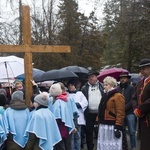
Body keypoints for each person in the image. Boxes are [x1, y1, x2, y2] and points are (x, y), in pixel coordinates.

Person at [97, 76, 125, 150]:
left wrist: (118, 126)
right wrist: (98, 120)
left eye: (106, 85)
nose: (104, 86)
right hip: (103, 124)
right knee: (104, 144)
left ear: (112, 85)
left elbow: (120, 112)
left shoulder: (118, 96)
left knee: (112, 144)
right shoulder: (105, 95)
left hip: (112, 124)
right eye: (104, 84)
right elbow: (100, 109)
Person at [81, 70, 104, 150]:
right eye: (89, 77)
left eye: (93, 77)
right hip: (89, 113)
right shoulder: (84, 88)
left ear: (96, 77)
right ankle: (90, 147)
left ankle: (100, 147)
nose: (91, 78)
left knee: (100, 131)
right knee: (89, 131)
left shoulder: (102, 86)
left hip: (100, 113)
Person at [49, 83, 75, 150]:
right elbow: (72, 112)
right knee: (68, 145)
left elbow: (57, 117)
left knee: (60, 146)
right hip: (66, 126)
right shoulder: (65, 99)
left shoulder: (58, 102)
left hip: (60, 127)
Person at [132, 58, 150, 150]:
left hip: (148, 115)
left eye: (144, 68)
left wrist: (140, 109)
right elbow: (134, 98)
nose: (142, 70)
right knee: (144, 141)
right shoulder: (140, 83)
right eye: (141, 69)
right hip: (142, 117)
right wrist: (135, 109)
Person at [67, 79, 88, 150]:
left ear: (75, 86)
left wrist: (78, 104)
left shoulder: (80, 93)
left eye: (72, 85)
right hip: (70, 117)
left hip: (78, 117)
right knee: (71, 136)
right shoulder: (67, 94)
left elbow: (85, 103)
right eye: (69, 85)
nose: (70, 87)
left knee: (78, 136)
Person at [118, 72, 136, 150]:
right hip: (120, 113)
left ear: (128, 79)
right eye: (121, 78)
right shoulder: (117, 89)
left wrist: (124, 108)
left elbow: (133, 100)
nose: (123, 79)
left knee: (131, 131)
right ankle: (123, 147)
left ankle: (133, 147)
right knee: (122, 131)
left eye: (124, 78)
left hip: (129, 112)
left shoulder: (131, 88)